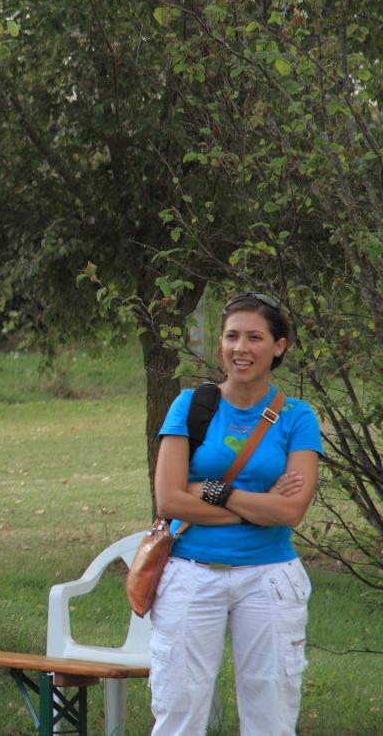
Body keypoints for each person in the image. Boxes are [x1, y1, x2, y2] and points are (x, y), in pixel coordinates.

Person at [150, 292, 322, 735]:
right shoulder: (190, 406)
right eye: (231, 336)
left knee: (271, 717)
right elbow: (169, 500)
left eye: (254, 337)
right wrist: (256, 508)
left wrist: (209, 491)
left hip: (269, 581)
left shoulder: (297, 418)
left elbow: (292, 510)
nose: (240, 348)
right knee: (178, 714)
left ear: (279, 346)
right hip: (190, 575)